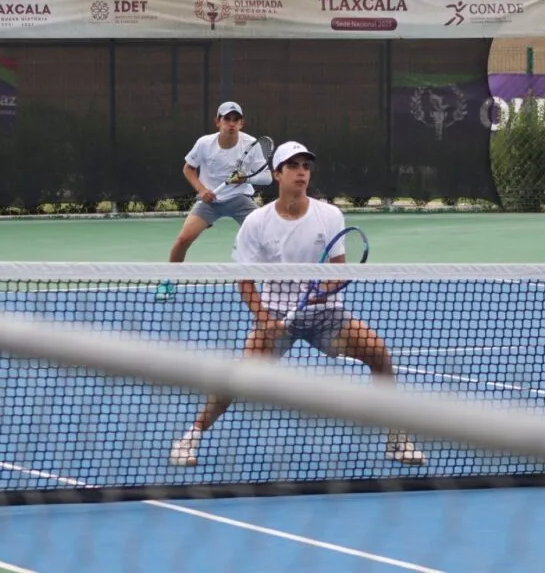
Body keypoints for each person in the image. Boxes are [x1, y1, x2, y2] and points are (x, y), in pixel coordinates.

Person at [169, 141, 426, 467]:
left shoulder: (329, 215)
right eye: (293, 166)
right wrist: (263, 319)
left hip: (325, 314)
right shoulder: (257, 222)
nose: (301, 172)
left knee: (379, 356)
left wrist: (326, 290)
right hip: (276, 315)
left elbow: (339, 269)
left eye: (306, 166)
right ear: (277, 174)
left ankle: (396, 438)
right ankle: (190, 437)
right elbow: (245, 281)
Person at [155, 101, 272, 300]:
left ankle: (280, 281)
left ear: (242, 123)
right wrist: (202, 190)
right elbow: (188, 169)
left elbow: (268, 177)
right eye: (227, 119)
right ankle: (168, 280)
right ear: (217, 121)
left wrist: (246, 177)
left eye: (236, 120)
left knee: (269, 237)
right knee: (183, 239)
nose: (231, 124)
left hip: (240, 199)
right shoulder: (204, 144)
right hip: (210, 202)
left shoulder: (251, 144)